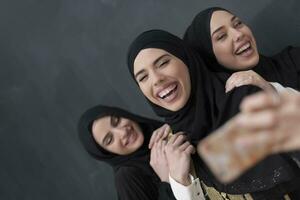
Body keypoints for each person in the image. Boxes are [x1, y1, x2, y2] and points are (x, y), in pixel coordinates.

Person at [127, 29, 300, 199]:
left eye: (163, 63)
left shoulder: (242, 97)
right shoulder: (173, 152)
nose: (156, 79)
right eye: (143, 77)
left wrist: (272, 94)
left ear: (186, 59)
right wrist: (179, 183)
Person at [77, 105, 203, 200]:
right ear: (106, 153)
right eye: (109, 139)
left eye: (116, 121)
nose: (123, 132)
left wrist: (178, 125)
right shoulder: (127, 178)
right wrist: (168, 180)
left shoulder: (160, 132)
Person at [183, 7, 300, 93]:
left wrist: (271, 88)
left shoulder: (293, 59)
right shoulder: (225, 110)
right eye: (221, 36)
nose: (238, 34)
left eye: (237, 24)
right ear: (209, 55)